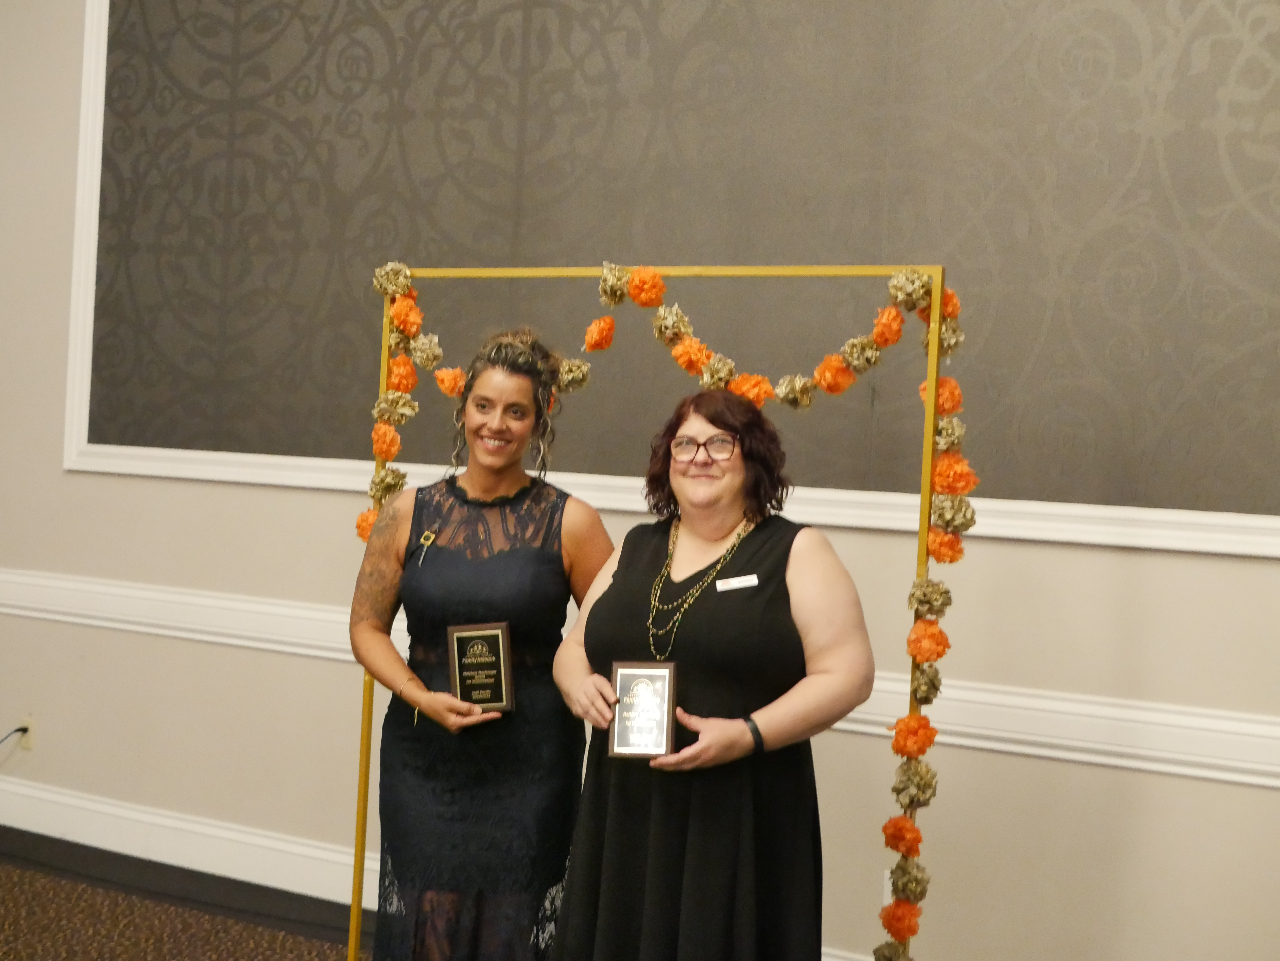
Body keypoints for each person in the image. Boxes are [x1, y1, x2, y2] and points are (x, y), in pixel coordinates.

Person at [551, 389, 875, 961]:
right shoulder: (635, 545)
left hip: (739, 807)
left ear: (752, 458)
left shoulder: (796, 550)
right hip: (626, 804)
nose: (700, 456)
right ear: (666, 460)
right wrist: (577, 684)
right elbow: (574, 645)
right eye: (685, 443)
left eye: (719, 442)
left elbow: (848, 674)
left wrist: (748, 733)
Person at [350, 329, 614, 961]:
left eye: (516, 411)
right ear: (463, 410)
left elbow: (608, 634)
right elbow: (365, 627)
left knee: (511, 924)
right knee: (431, 919)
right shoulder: (409, 513)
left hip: (530, 760)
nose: (497, 424)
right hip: (427, 750)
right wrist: (421, 697)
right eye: (484, 406)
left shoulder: (571, 520)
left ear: (538, 420)